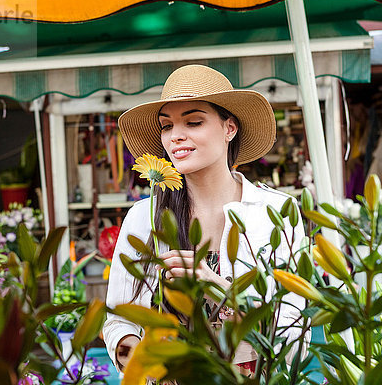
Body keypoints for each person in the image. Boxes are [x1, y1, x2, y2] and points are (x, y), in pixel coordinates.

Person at [103, 65, 308, 373]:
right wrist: (135, 357)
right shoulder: (144, 218)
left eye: (194, 122)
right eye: (167, 126)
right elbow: (119, 319)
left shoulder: (275, 213)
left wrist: (216, 286)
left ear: (230, 128)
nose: (176, 136)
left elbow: (294, 328)